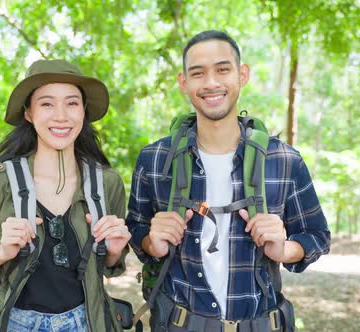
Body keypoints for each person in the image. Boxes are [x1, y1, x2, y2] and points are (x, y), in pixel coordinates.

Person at [126, 30, 331, 331]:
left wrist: (284, 249)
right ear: (184, 83)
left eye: (222, 69)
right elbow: (135, 228)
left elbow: (317, 235)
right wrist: (150, 243)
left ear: (242, 74)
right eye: (198, 73)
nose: (211, 83)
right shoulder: (154, 159)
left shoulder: (283, 161)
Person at [0, 59, 131, 332]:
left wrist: (114, 251)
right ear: (28, 113)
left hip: (87, 322)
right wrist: (2, 251)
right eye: (47, 104)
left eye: (72, 103)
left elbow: (108, 266)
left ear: (84, 110)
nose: (61, 115)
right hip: (14, 323)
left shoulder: (107, 183)